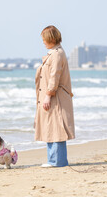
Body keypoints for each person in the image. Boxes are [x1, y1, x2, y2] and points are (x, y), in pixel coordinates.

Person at [34, 25, 75, 168]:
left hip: (55, 96)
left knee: (57, 127)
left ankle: (57, 161)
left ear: (51, 38)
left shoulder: (57, 54)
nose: (43, 42)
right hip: (53, 96)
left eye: (44, 39)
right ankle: (54, 160)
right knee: (51, 127)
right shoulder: (54, 53)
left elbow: (54, 76)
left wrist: (48, 95)